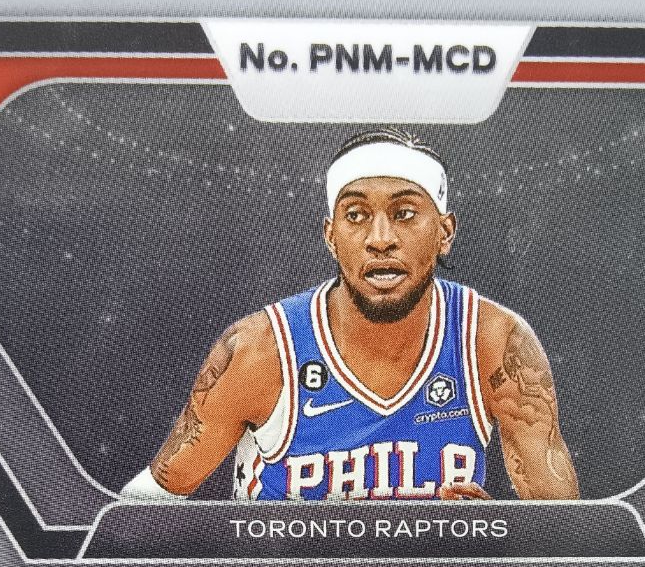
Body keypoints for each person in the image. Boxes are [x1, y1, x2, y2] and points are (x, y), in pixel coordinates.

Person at [122, 129, 579, 502]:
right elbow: (140, 510)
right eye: (356, 215)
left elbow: (563, 535)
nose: (380, 239)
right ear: (331, 236)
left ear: (444, 232)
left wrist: (495, 535)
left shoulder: (492, 342)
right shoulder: (262, 350)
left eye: (405, 213)